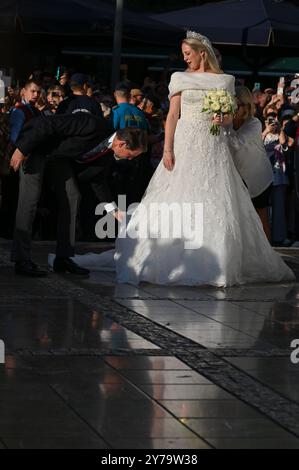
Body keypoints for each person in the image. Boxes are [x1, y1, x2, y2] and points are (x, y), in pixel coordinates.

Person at [62, 31, 295, 287]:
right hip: (185, 141)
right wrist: (168, 149)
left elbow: (229, 117)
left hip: (213, 144)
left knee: (214, 196)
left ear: (201, 52)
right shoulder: (179, 78)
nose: (185, 58)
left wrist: (223, 119)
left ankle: (217, 260)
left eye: (188, 53)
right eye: (183, 54)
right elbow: (172, 116)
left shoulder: (225, 80)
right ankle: (169, 257)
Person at [10, 113, 147, 277]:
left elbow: (98, 181)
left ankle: (64, 258)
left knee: (72, 196)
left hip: (59, 157)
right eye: (131, 155)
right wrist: (22, 149)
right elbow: (48, 123)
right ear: (122, 144)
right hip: (36, 147)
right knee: (30, 199)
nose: (130, 159)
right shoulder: (92, 124)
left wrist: (113, 210)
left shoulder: (108, 154)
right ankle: (21, 259)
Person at [223, 86, 273, 240]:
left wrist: (223, 126)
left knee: (260, 215)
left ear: (245, 105)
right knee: (243, 218)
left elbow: (237, 143)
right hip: (241, 178)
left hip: (259, 178)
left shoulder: (254, 123)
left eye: (235, 105)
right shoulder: (229, 124)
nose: (232, 109)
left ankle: (268, 254)